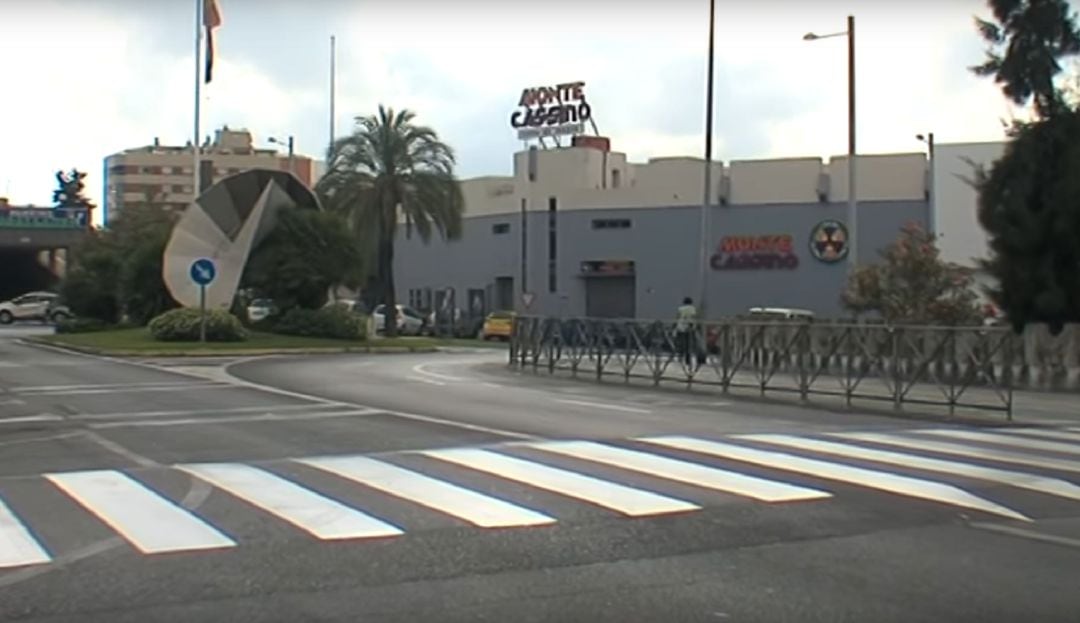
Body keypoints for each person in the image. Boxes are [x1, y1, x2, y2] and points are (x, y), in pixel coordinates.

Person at [675, 296, 698, 367]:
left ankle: (680, 356)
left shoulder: (680, 309)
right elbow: (694, 317)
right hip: (690, 328)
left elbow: (677, 317)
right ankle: (688, 360)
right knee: (689, 344)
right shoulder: (693, 309)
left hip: (681, 327)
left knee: (681, 343)